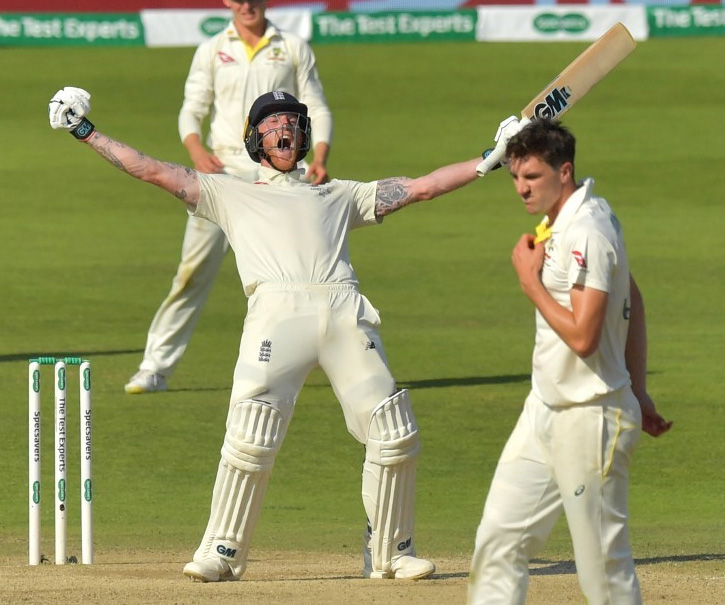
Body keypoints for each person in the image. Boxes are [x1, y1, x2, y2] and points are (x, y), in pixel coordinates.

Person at [48, 86, 487, 581]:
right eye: (273, 123)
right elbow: (151, 169)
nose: (284, 130)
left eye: (292, 123)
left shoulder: (339, 194)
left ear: (303, 136)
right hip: (276, 316)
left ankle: (392, 552)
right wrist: (83, 130)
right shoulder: (228, 192)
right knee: (250, 438)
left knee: (394, 433)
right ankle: (221, 552)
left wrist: (491, 158)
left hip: (344, 312)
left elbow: (423, 186)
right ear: (255, 138)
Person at [467, 119, 673, 604]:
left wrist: (530, 283)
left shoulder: (588, 232)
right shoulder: (566, 220)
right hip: (544, 409)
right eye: (515, 177)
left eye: (531, 177)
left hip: (591, 417)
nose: (521, 188)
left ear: (564, 172)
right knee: (498, 543)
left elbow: (584, 337)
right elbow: (633, 297)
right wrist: (639, 388)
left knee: (603, 570)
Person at [124, 0, 333, 395]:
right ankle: (155, 367)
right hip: (224, 174)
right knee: (193, 271)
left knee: (305, 271)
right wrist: (196, 151)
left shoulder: (291, 46)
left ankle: (325, 359)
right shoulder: (213, 49)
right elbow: (192, 109)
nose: (247, 5)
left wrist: (319, 156)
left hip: (280, 173)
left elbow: (316, 107)